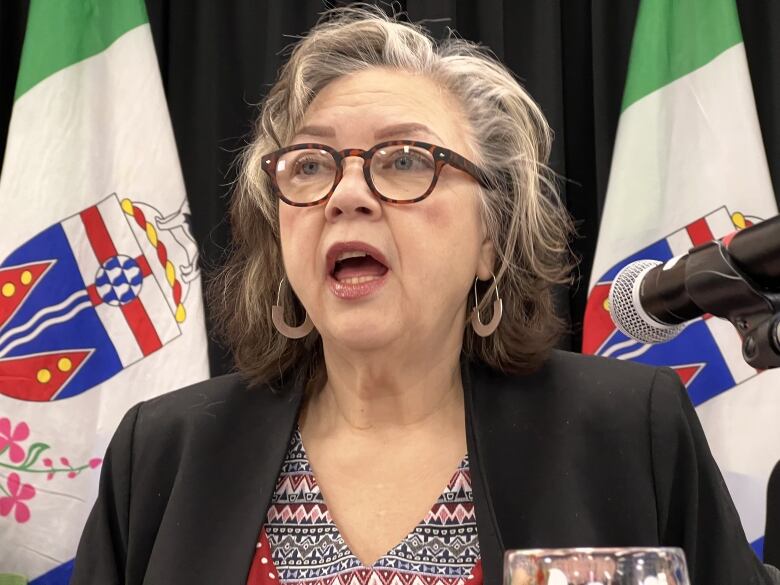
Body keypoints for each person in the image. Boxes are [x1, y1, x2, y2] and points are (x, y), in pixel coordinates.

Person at [70, 6, 770, 585]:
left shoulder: (627, 431)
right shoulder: (163, 451)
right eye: (311, 164)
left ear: (492, 236)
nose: (346, 195)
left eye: (406, 160)